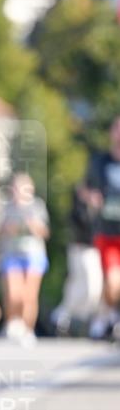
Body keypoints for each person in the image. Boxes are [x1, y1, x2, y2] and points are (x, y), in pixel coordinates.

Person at [0, 172, 50, 345]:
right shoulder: (8, 207)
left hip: (33, 254)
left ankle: (28, 329)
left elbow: (45, 232)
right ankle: (13, 322)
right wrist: (8, 229)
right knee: (14, 294)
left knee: (29, 295)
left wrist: (32, 224)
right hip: (11, 254)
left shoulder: (37, 206)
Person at [81, 116, 120, 340]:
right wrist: (91, 198)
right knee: (113, 282)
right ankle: (109, 316)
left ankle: (107, 317)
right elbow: (84, 189)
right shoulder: (100, 161)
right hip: (107, 232)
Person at [50, 185, 103, 336]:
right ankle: (64, 315)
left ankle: (71, 316)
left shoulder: (95, 208)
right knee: (81, 285)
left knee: (93, 288)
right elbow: (86, 228)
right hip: (80, 251)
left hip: (93, 251)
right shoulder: (77, 210)